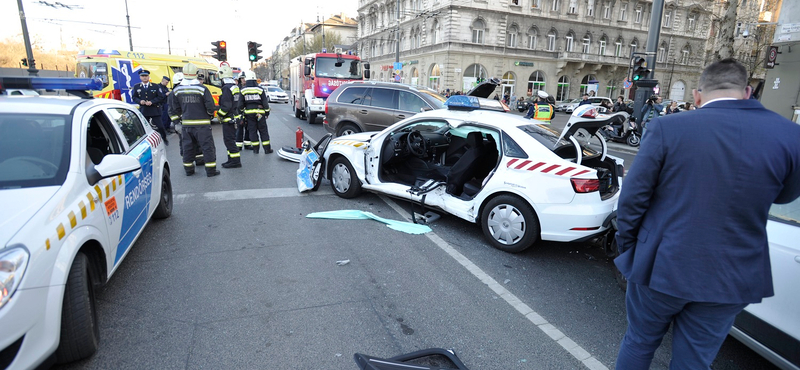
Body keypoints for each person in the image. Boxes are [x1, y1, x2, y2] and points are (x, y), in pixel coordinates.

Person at [614, 58, 800, 370]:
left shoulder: (667, 127)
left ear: (698, 96)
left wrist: (630, 247)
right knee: (696, 360)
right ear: (748, 92)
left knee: (640, 341)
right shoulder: (790, 134)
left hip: (662, 264)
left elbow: (632, 199)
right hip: (732, 274)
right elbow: (785, 195)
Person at [169, 62, 220, 177]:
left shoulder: (177, 90)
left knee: (188, 147)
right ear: (196, 74)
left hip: (186, 125)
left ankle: (189, 170)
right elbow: (210, 106)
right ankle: (211, 171)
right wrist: (209, 115)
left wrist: (180, 119)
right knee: (207, 147)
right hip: (203, 125)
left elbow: (174, 108)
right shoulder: (202, 89)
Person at [217, 66, 244, 168]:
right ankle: (231, 159)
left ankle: (235, 161)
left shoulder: (226, 88)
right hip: (234, 117)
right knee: (231, 140)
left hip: (229, 119)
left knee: (229, 141)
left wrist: (219, 114)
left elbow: (226, 106)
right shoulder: (234, 86)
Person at [132, 70, 168, 144]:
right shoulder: (137, 86)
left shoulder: (155, 86)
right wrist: (140, 101)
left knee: (160, 126)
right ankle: (145, 142)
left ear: (148, 77)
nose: (144, 78)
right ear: (140, 77)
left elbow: (160, 97)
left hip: (154, 109)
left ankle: (164, 139)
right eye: (143, 76)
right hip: (144, 110)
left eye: (146, 76)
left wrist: (152, 102)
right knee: (143, 127)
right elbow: (134, 97)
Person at [241, 70, 272, 154]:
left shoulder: (243, 90)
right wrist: (267, 113)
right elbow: (265, 103)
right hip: (259, 114)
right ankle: (267, 149)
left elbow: (240, 104)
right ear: (255, 79)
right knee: (263, 130)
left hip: (249, 114)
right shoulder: (260, 89)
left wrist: (242, 113)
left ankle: (255, 149)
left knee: (252, 131)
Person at [235, 74, 251, 150]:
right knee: (239, 128)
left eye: (245, 78)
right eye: (242, 78)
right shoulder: (237, 88)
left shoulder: (249, 88)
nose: (244, 80)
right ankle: (238, 145)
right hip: (239, 111)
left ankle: (247, 144)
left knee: (248, 128)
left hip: (247, 111)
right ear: (240, 79)